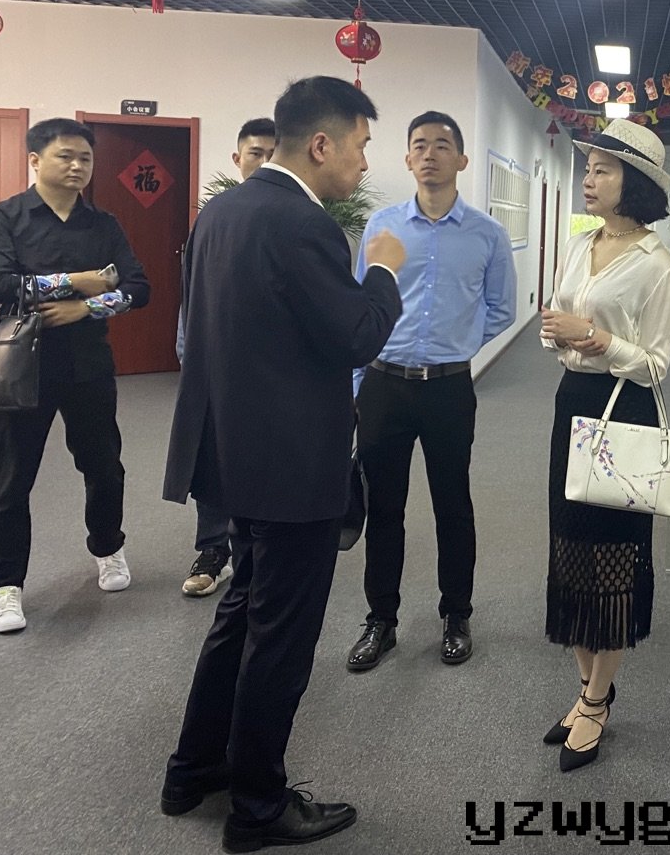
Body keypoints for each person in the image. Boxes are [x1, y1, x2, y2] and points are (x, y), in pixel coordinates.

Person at [158, 76, 404, 852]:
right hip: (291, 466)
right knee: (281, 640)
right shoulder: (303, 225)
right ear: (322, 144)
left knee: (241, 614)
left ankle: (194, 769)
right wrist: (383, 270)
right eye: (361, 146)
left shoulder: (222, 212)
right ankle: (258, 808)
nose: (364, 163)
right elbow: (357, 335)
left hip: (233, 454)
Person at [346, 111, 517, 672]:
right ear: (406, 158)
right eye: (419, 144)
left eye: (442, 145)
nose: (429, 154)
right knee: (384, 507)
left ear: (461, 159)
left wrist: (457, 342)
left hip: (448, 389)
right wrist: (357, 384)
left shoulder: (487, 234)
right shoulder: (382, 228)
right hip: (384, 385)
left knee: (453, 505)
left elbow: (502, 310)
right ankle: (381, 620)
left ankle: (456, 615)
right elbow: (361, 305)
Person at [538, 118, 670, 772]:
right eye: (588, 168)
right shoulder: (580, 243)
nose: (589, 179)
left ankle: (596, 702)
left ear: (636, 183)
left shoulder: (658, 266)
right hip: (572, 401)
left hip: (625, 412)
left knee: (612, 560)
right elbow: (559, 319)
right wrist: (560, 335)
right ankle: (587, 686)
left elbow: (655, 364)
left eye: (603, 170)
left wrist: (596, 340)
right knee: (569, 548)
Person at [0, 118, 150, 634]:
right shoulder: (6, 217)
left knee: (104, 467)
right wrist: (77, 280)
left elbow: (137, 288)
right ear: (35, 159)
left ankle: (108, 547)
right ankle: (5, 585)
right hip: (20, 366)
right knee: (12, 479)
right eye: (65, 156)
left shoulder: (104, 225)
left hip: (88, 364)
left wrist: (86, 306)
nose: (77, 166)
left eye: (85, 159)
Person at [180, 117, 277, 598]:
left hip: (270, 374)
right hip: (216, 367)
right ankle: (212, 550)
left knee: (261, 464)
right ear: (238, 159)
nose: (264, 162)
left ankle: (255, 552)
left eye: (272, 153)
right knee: (214, 461)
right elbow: (193, 291)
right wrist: (189, 355)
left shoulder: (294, 217)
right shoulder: (216, 216)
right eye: (255, 153)